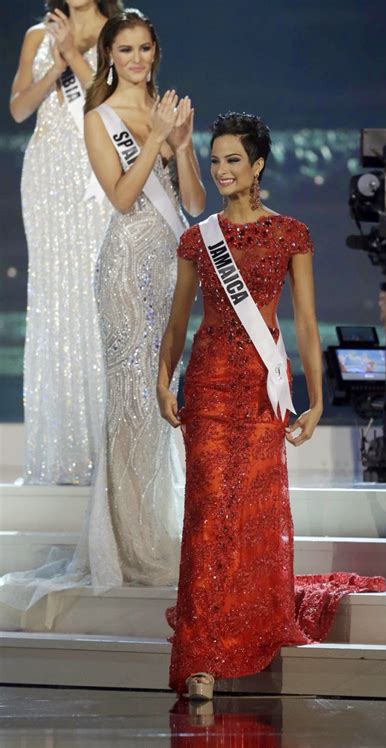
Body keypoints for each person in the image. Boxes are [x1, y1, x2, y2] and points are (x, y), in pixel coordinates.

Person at [157, 112, 386, 700]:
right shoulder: (197, 237)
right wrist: (164, 378)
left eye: (234, 159)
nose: (222, 170)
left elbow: (306, 322)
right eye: (215, 160)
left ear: (257, 165)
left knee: (253, 512)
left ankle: (250, 624)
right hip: (208, 387)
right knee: (208, 514)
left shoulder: (290, 233)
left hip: (264, 391)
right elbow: (179, 320)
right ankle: (202, 654)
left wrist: (317, 393)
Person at [0, 9, 205, 617]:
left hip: (169, 265)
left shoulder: (167, 112)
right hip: (122, 269)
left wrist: (184, 146)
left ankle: (157, 524)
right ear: (110, 56)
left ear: (154, 54)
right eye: (127, 49)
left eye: (145, 49)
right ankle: (124, 541)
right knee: (130, 400)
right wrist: (153, 140)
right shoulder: (99, 116)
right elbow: (120, 196)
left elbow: (192, 202)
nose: (137, 59)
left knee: (163, 398)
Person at [10, 0, 123, 485]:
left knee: (95, 297)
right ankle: (61, 451)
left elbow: (119, 108)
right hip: (47, 176)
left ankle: (108, 449)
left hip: (96, 174)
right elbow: (18, 109)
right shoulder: (38, 34)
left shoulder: (120, 30)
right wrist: (53, 62)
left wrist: (75, 57)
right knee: (55, 300)